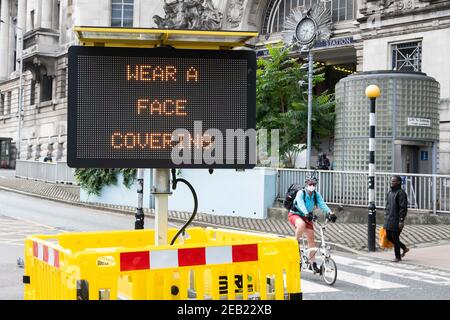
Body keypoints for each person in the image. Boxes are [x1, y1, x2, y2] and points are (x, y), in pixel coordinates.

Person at [288, 175, 337, 273]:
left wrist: (330, 213)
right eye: (310, 184)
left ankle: (313, 264)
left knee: (311, 239)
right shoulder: (300, 193)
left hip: (308, 216)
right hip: (295, 214)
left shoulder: (316, 195)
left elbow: (322, 204)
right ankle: (294, 243)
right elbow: (301, 204)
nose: (312, 185)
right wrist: (306, 213)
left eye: (314, 184)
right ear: (306, 184)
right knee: (301, 225)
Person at [384, 175, 409, 262]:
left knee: (395, 238)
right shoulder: (389, 193)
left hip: (396, 220)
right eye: (391, 181)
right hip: (389, 219)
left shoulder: (401, 193)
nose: (392, 182)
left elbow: (403, 208)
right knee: (388, 237)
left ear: (398, 182)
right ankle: (404, 248)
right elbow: (387, 206)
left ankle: (397, 257)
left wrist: (401, 220)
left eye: (394, 181)